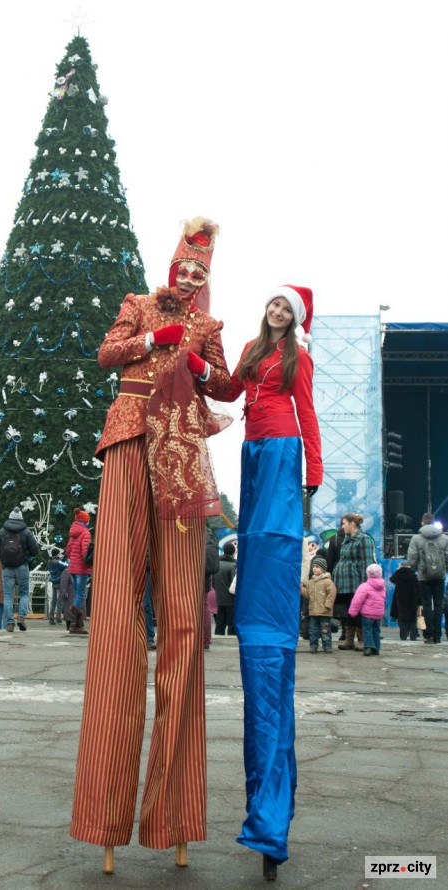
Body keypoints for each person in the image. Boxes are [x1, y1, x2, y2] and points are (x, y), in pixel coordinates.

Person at [71, 218, 232, 868]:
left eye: (200, 272)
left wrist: (197, 362)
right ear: (171, 269)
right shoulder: (138, 304)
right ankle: (103, 816)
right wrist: (150, 339)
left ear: (205, 278)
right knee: (115, 613)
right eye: (183, 268)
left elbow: (224, 385)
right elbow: (106, 354)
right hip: (128, 441)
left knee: (183, 622)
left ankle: (175, 816)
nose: (189, 278)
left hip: (182, 456)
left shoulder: (209, 326)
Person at [221, 284, 323, 878]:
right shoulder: (252, 349)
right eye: (273, 304)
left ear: (295, 317)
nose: (277, 311)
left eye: (286, 308)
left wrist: (314, 469)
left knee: (273, 535)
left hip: (284, 447)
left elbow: (306, 411)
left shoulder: (297, 358)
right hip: (253, 450)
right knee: (253, 532)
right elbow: (229, 389)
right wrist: (198, 367)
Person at [333, 514, 376, 651]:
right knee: (350, 610)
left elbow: (367, 563)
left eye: (344, 523)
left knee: (359, 610)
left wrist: (365, 585)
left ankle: (362, 640)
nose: (342, 526)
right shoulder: (347, 539)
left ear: (352, 524)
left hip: (356, 582)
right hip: (345, 583)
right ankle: (349, 640)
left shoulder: (364, 539)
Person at [0, 507, 39, 632]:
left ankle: (9, 623)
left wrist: (2, 558)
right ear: (21, 518)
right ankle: (21, 617)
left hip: (7, 567)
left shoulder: (2, 532)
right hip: (22, 566)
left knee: (7, 596)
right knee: (24, 593)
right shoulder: (26, 532)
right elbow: (35, 550)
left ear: (10, 517)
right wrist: (26, 555)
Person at [407, 513, 448, 644]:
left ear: (422, 523)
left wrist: (417, 569)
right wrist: (443, 569)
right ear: (434, 522)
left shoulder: (416, 538)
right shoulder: (444, 538)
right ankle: (438, 636)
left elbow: (412, 559)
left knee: (426, 605)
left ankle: (428, 635)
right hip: (440, 576)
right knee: (439, 605)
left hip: (423, 577)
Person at [348, 563, 386, 656]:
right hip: (378, 614)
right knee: (376, 630)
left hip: (367, 614)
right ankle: (376, 649)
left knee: (367, 630)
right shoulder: (382, 586)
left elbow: (357, 600)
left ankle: (368, 647)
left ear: (368, 574)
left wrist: (353, 612)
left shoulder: (364, 586)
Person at [65, 509, 92, 635]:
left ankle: (78, 624)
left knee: (77, 594)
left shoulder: (73, 532)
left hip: (72, 568)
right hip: (82, 568)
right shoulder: (85, 533)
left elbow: (68, 552)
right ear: (85, 521)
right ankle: (74, 624)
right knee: (80, 595)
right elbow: (85, 553)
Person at [302, 556, 336, 653]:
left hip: (325, 611)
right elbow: (308, 594)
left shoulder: (328, 582)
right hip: (313, 611)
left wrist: (328, 605)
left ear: (323, 569)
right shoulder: (311, 582)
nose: (314, 568)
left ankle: (327, 646)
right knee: (313, 630)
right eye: (313, 566)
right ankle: (313, 646)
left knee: (325, 630)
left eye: (317, 567)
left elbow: (332, 594)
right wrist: (302, 590)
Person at [389, 561, 421, 641]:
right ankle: (413, 636)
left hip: (400, 599)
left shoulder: (398, 574)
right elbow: (418, 589)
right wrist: (420, 602)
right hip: (413, 599)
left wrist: (398, 570)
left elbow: (391, 579)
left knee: (402, 617)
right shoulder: (414, 575)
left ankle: (403, 636)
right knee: (413, 618)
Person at [214, 542, 237, 636]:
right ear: (233, 552)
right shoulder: (233, 566)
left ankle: (218, 637)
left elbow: (213, 582)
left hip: (219, 597)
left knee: (220, 622)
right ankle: (231, 638)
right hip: (231, 599)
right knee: (231, 622)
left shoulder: (217, 564)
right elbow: (234, 584)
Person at [203, 525, 220, 650]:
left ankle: (194, 639)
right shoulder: (209, 534)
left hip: (191, 574)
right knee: (204, 609)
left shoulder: (190, 530)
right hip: (206, 577)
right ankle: (205, 640)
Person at [47, 548, 68, 625]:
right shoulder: (58, 562)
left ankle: (51, 619)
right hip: (59, 582)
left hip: (53, 582)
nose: (60, 554)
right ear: (57, 554)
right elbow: (67, 566)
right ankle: (59, 619)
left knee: (53, 602)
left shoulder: (50, 561)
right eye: (59, 553)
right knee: (60, 602)